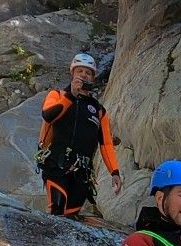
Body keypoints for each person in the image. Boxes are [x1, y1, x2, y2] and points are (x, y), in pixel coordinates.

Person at [36, 52, 123, 219]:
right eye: (80, 71)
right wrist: (71, 96)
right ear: (72, 74)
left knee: (71, 216)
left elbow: (106, 143)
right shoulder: (57, 95)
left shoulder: (98, 110)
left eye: (88, 72)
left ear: (92, 78)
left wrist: (115, 172)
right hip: (56, 163)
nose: (83, 75)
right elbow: (48, 115)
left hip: (82, 172)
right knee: (57, 211)